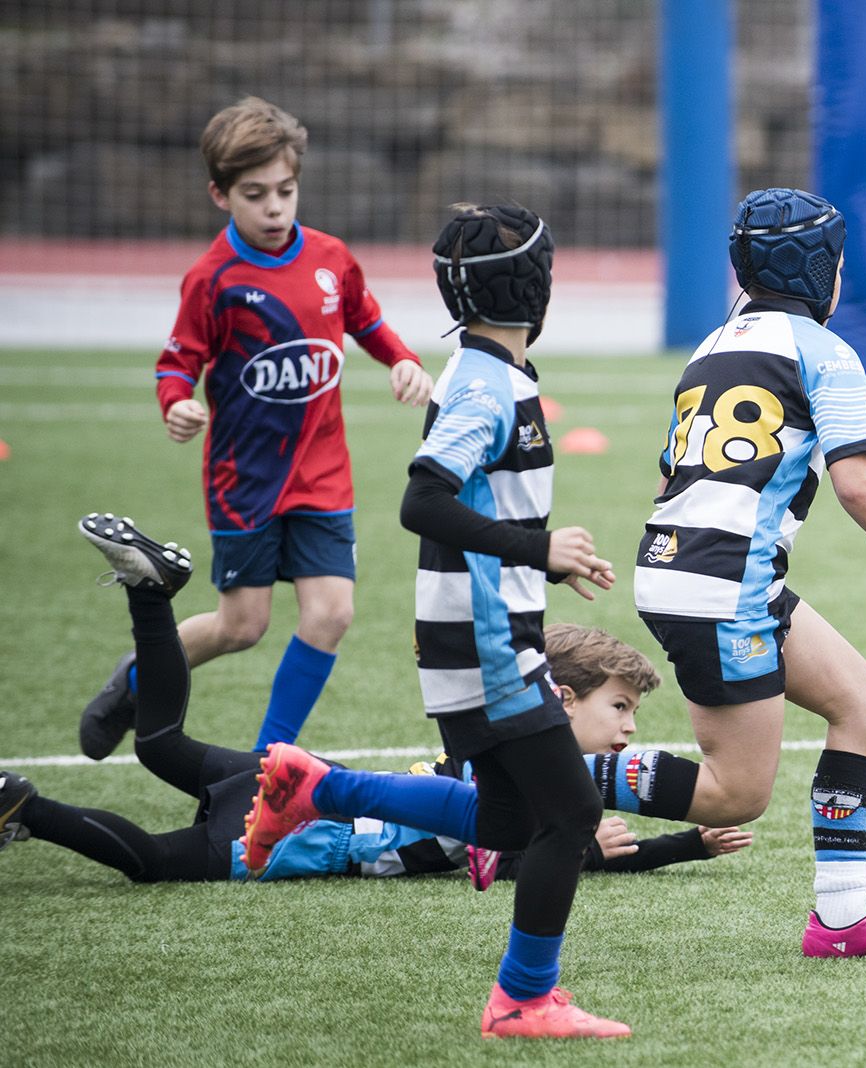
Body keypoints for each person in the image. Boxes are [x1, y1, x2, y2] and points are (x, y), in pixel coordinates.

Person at [241, 203, 630, 1039]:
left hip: (477, 642)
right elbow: (424, 499)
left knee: (507, 823)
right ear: (538, 284)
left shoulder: (489, 372)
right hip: (489, 651)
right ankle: (522, 1000)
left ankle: (320, 787)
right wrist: (538, 549)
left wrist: (541, 557)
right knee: (570, 817)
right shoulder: (486, 384)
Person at [622, 187, 866, 959]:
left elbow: (670, 479)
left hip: (695, 568)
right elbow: (856, 484)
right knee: (736, 794)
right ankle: (524, 774)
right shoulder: (826, 352)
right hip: (723, 582)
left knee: (861, 702)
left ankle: (841, 920)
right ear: (825, 267)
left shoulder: (709, 346)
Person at [0, 519, 750, 886]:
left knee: (161, 742)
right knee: (154, 863)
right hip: (312, 831)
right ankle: (23, 807)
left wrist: (680, 844)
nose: (627, 729)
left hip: (306, 777)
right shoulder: (534, 766)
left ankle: (150, 594)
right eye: (619, 707)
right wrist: (630, 849)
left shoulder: (515, 740)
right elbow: (511, 862)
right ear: (563, 698)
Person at [78, 97, 433, 762]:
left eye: (286, 191)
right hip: (246, 480)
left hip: (323, 475)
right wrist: (177, 403)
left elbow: (365, 320)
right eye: (254, 195)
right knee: (243, 626)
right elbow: (176, 363)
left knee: (332, 614)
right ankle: (132, 681)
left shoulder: (330, 259)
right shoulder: (214, 280)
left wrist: (404, 360)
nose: (274, 208)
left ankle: (271, 767)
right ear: (220, 195)